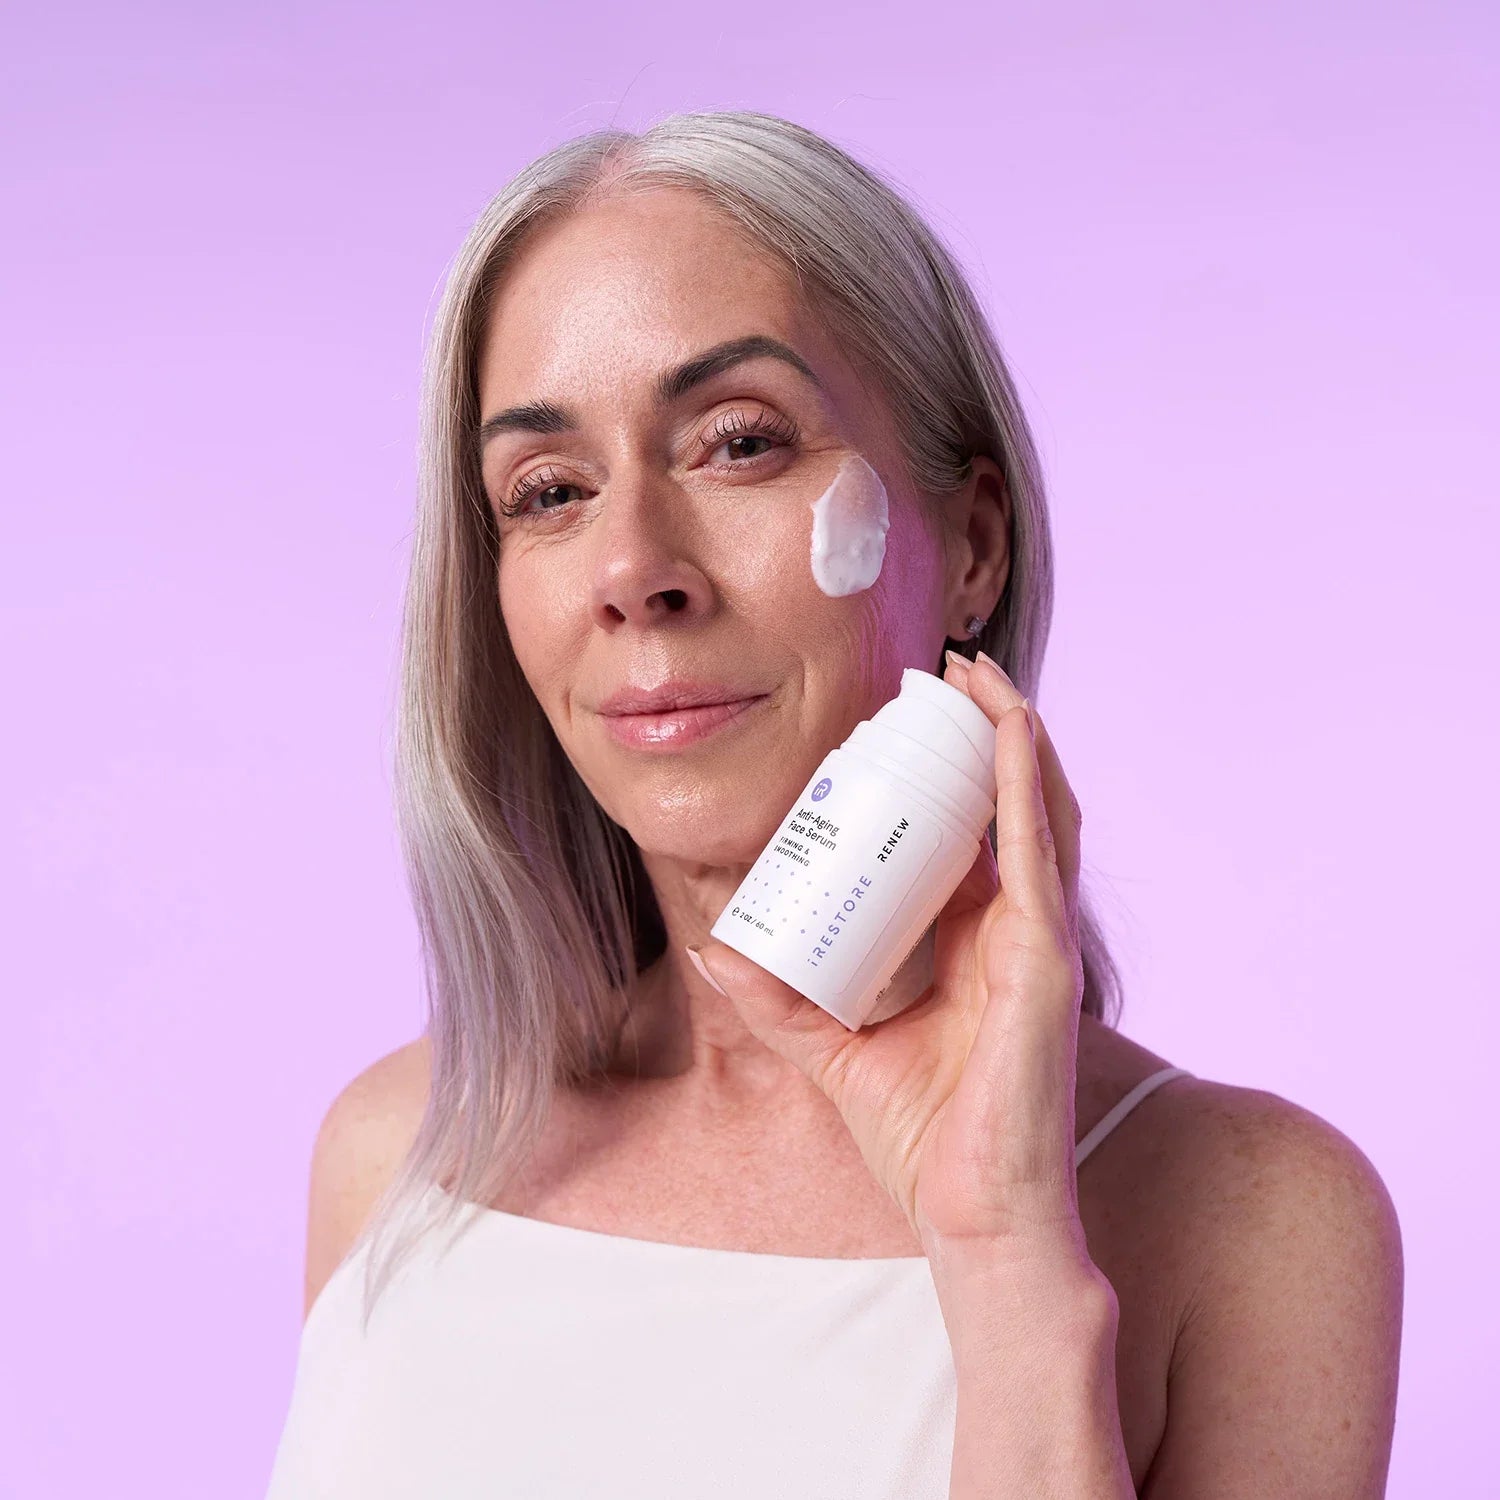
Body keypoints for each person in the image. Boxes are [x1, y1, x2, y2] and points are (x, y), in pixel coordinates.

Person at [265, 110, 1402, 1498]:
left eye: (738, 444)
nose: (632, 567)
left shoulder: (1257, 1223)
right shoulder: (397, 1155)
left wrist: (1005, 1263)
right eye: (550, 491)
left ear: (972, 544)